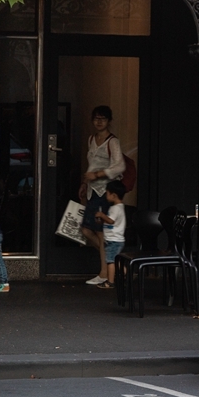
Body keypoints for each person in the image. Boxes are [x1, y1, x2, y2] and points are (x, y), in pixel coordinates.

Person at [79, 106, 125, 286]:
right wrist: (84, 183)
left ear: (109, 121)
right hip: (92, 190)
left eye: (103, 119)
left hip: (105, 191)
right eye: (96, 118)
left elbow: (119, 166)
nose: (99, 122)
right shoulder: (92, 139)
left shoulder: (112, 142)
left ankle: (105, 271)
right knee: (86, 230)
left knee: (99, 232)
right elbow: (90, 165)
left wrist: (98, 175)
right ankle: (115, 261)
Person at [90, 181, 127, 290]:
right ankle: (126, 273)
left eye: (107, 193)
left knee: (110, 261)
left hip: (114, 240)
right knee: (115, 260)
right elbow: (111, 222)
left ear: (114, 195)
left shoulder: (116, 208)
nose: (106, 196)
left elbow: (111, 221)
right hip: (114, 239)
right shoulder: (117, 207)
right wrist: (102, 221)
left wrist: (102, 215)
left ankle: (110, 282)